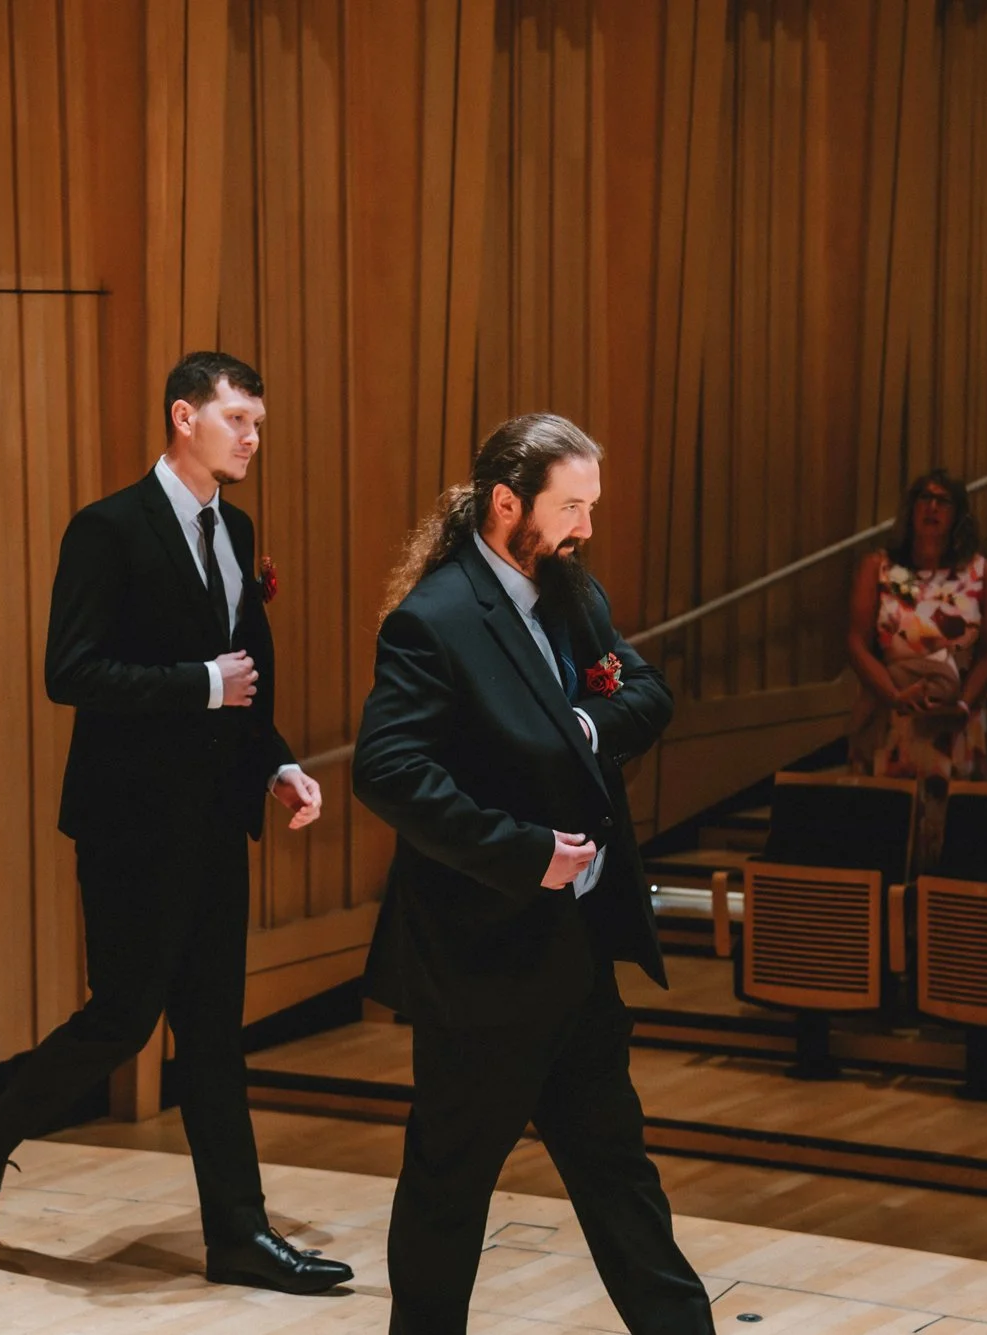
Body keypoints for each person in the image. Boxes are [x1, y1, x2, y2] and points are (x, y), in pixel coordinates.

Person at [0, 352, 351, 1295]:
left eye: (258, 423)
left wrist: (277, 762)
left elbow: (250, 675)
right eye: (238, 419)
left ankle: (240, 1234)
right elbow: (69, 671)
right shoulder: (108, 530)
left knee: (212, 1031)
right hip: (130, 822)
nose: (252, 437)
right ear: (184, 417)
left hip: (215, 820)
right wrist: (198, 686)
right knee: (123, 1017)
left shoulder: (237, 531)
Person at [353, 413, 711, 1334]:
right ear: (507, 503)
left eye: (591, 505)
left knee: (620, 1179)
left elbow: (645, 692)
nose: (586, 527)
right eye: (572, 506)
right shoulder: (431, 620)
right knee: (447, 1192)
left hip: (576, 957)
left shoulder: (569, 592)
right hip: (483, 966)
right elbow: (388, 772)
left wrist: (585, 727)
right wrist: (525, 852)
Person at [846, 469, 987, 866]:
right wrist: (895, 696)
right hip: (892, 715)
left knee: (952, 849)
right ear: (911, 509)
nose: (932, 507)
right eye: (924, 498)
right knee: (884, 844)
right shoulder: (881, 568)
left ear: (958, 514)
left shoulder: (982, 573)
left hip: (955, 723)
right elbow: (855, 642)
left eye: (943, 500)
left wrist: (963, 706)